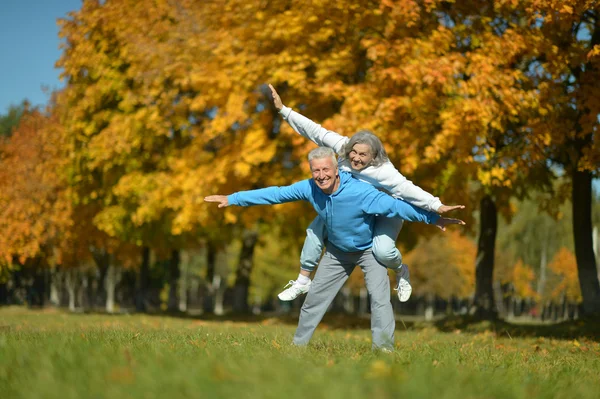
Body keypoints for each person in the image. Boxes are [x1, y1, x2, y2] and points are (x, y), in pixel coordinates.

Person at [205, 146, 465, 350]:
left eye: (325, 170)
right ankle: (298, 347)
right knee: (314, 301)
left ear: (337, 169)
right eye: (315, 171)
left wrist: (435, 217)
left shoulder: (361, 193)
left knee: (379, 299)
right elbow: (275, 194)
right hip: (337, 253)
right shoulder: (309, 188)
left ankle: (384, 349)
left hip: (368, 251)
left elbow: (398, 207)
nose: (321, 176)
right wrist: (233, 198)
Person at [268, 84, 465, 303]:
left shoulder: (384, 171)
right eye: (354, 152)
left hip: (385, 209)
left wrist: (436, 207)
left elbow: (408, 190)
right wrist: (284, 110)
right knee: (315, 228)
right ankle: (303, 281)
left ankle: (400, 270)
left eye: (363, 155)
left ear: (373, 156)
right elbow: (314, 131)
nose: (356, 158)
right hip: (352, 208)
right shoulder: (341, 147)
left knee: (382, 251)